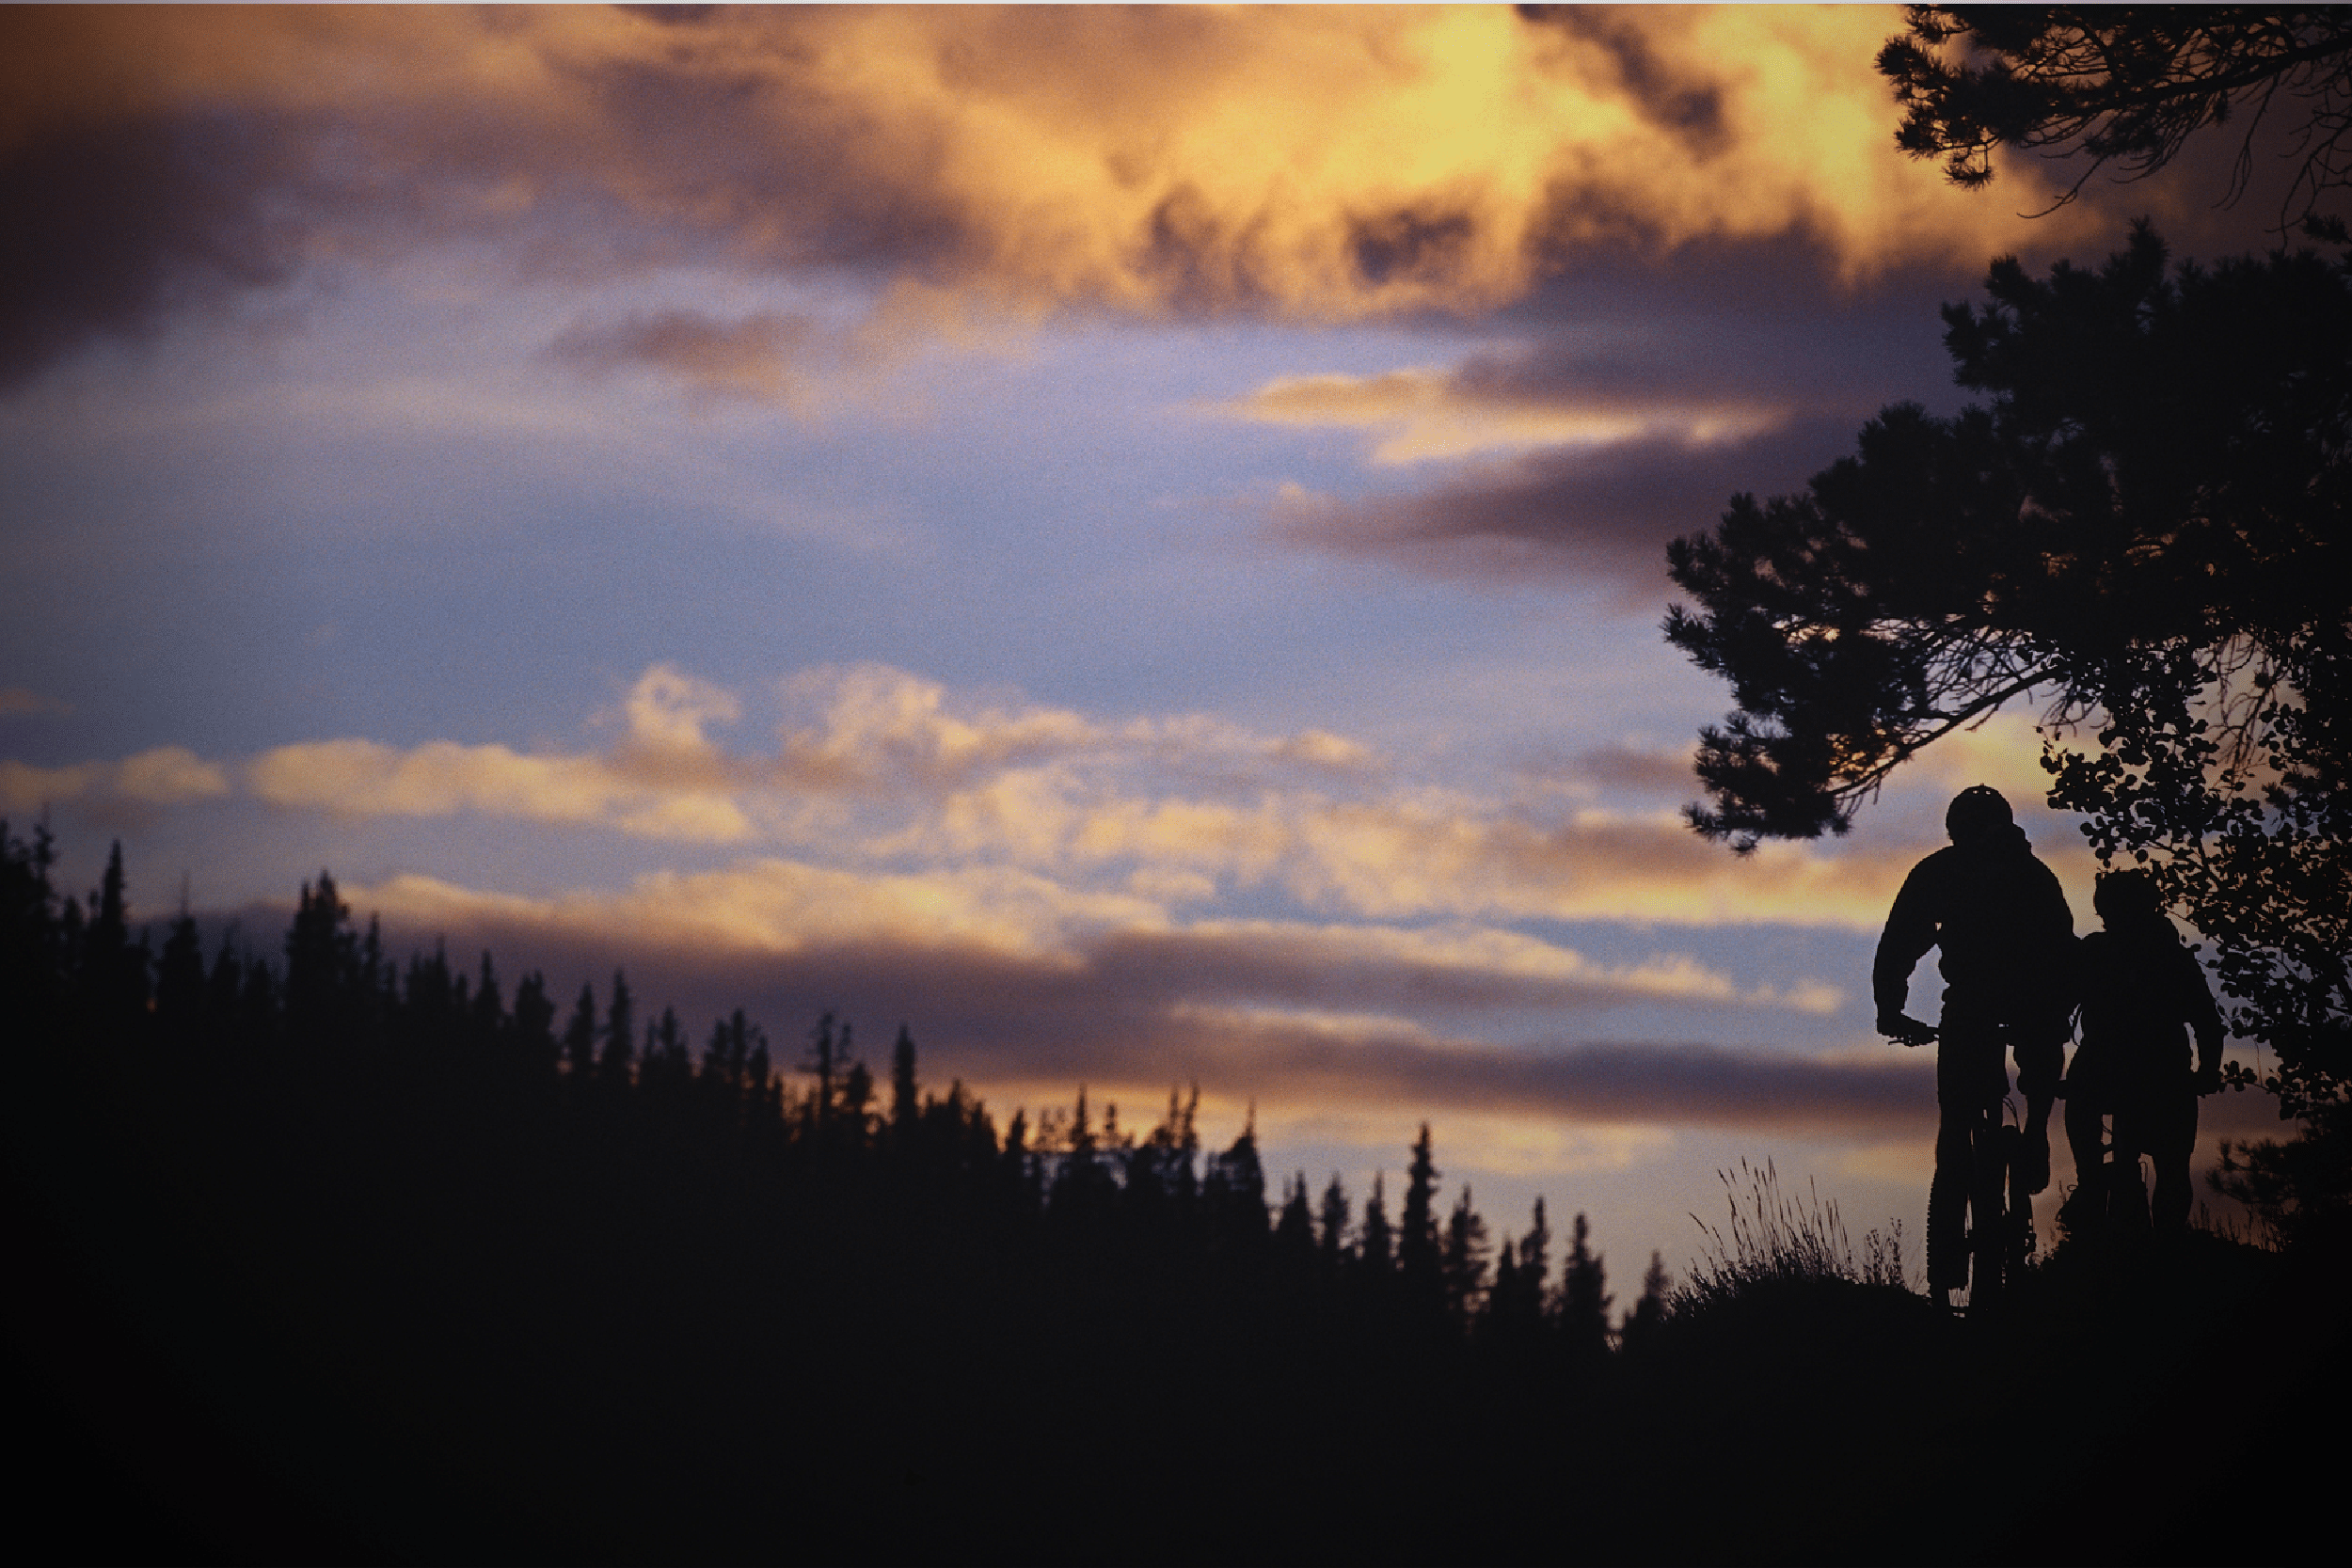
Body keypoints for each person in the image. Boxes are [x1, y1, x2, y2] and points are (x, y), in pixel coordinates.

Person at [1875, 785, 2077, 1301]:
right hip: (2032, 999)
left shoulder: (1941, 871)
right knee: (2040, 1056)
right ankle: (2035, 1133)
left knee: (1957, 1121)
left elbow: (1900, 941)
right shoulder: (2034, 873)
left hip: (1973, 1002)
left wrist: (1890, 1009)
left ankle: (1945, 1262)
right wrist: (2057, 1006)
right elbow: (2064, 945)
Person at [2063, 869, 2225, 1241]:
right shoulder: (2173, 957)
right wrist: (2207, 1072)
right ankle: (2164, 1241)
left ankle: (2089, 1184)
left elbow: (2058, 1004)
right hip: (2162, 1072)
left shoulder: (2097, 952)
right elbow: (2206, 1022)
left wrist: (2209, 1071)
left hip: (2129, 1070)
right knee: (2172, 1167)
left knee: (2081, 1098)